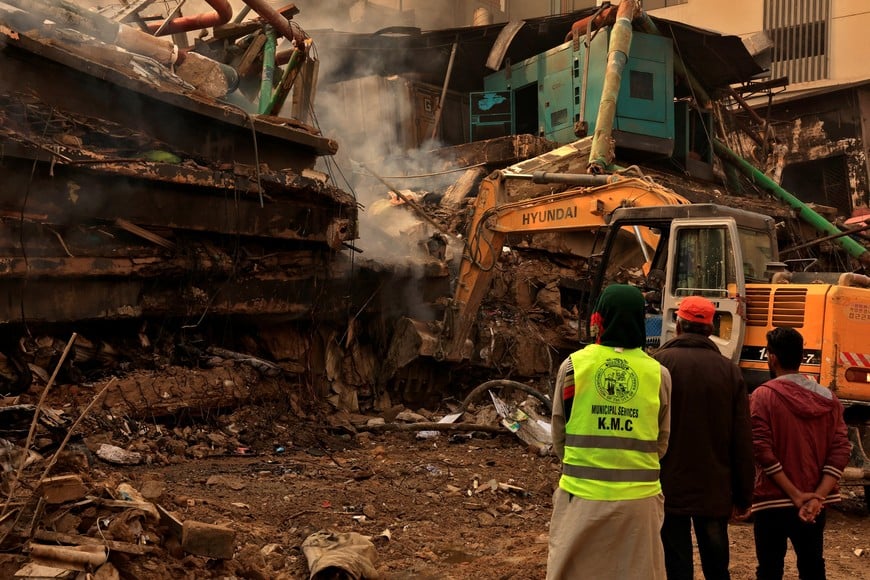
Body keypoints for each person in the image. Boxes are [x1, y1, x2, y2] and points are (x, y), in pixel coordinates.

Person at [547, 284, 671, 580]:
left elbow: (558, 434)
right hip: (639, 503)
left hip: (581, 496)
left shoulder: (574, 366)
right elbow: (661, 441)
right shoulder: (658, 374)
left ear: (599, 319)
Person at [652, 296, 754, 580]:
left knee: (675, 565)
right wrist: (744, 494)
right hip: (714, 490)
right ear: (710, 330)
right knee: (716, 566)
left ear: (678, 327)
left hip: (666, 488)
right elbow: (742, 439)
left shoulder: (657, 366)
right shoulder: (729, 372)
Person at [750, 327, 851, 580]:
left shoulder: (763, 396)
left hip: (772, 500)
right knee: (812, 566)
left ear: (772, 358)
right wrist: (818, 496)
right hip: (814, 505)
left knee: (770, 569)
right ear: (801, 356)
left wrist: (795, 495)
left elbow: (761, 449)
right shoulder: (830, 399)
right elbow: (841, 450)